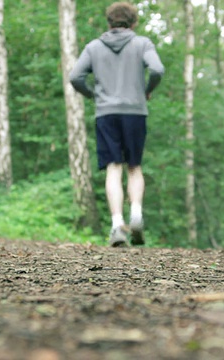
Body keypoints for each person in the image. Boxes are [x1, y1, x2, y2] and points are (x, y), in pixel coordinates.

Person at [69, 2, 164, 247]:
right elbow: (157, 70)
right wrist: (146, 92)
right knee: (134, 166)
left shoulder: (94, 47)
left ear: (109, 22)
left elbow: (75, 77)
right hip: (135, 111)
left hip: (106, 113)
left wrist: (94, 96)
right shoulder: (142, 43)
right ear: (133, 23)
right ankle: (136, 215)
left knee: (113, 167)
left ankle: (117, 224)